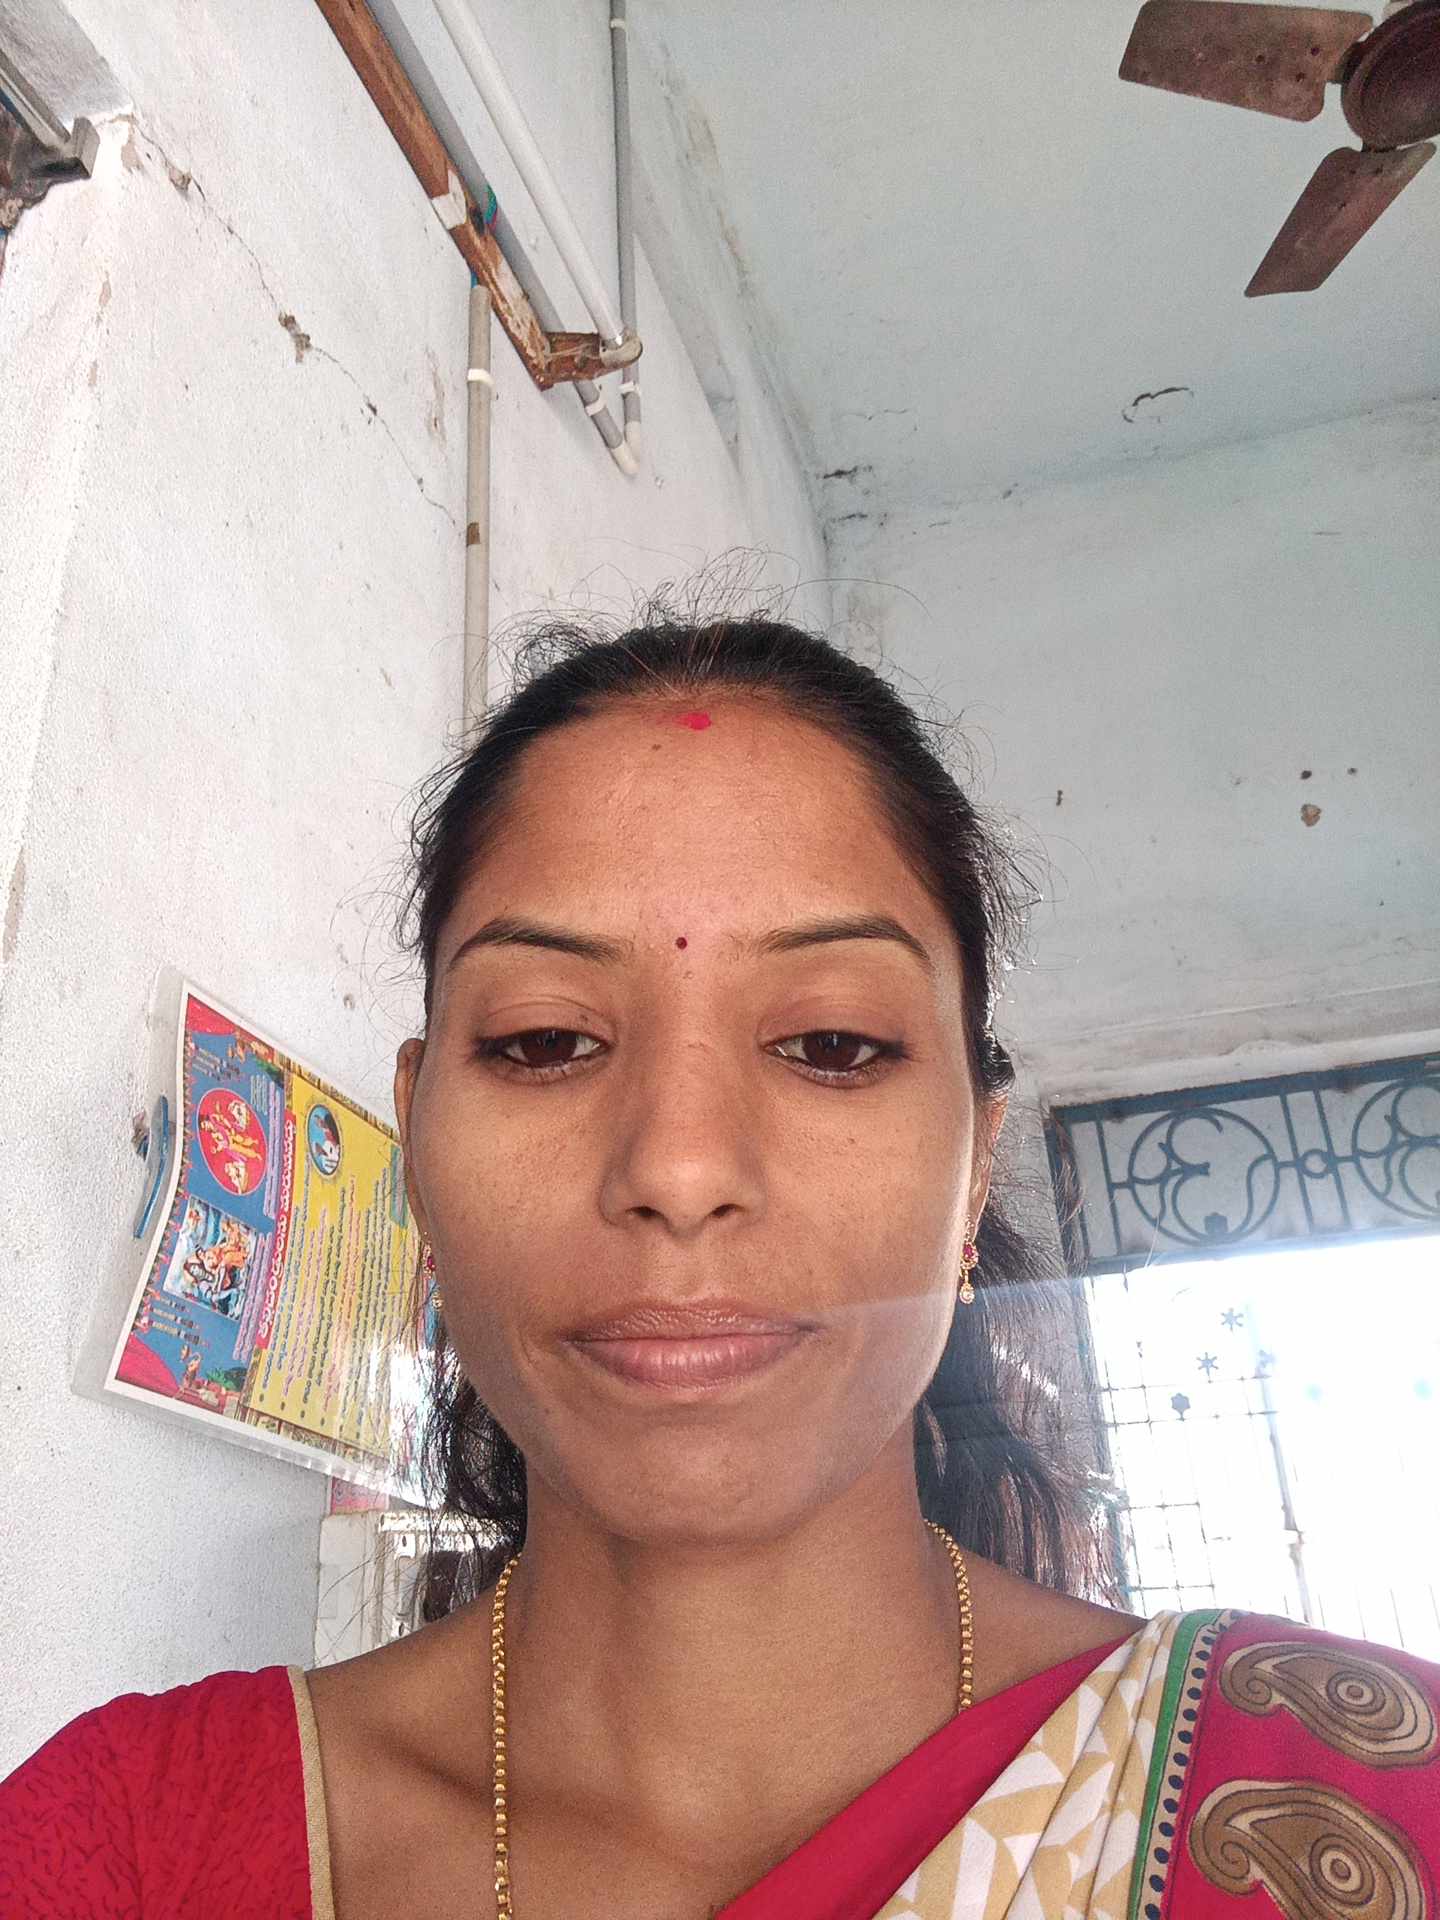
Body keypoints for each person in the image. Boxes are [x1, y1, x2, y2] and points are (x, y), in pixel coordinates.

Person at [4, 613, 1437, 1919]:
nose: (679, 1167)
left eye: (832, 1043)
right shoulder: (128, 1850)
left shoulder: (1356, 1800)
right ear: (420, 1142)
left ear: (973, 1170)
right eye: (544, 1041)